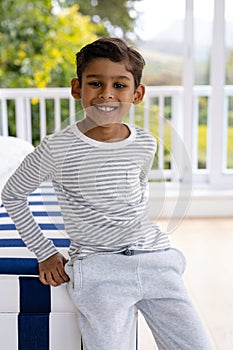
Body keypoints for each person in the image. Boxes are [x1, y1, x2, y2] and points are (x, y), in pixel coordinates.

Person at [2, 37, 213, 350]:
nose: (106, 94)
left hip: (155, 261)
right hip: (99, 270)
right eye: (96, 83)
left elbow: (135, 197)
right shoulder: (56, 148)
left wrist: (164, 258)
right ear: (78, 89)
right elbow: (13, 195)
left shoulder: (145, 143)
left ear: (137, 93)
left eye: (120, 85)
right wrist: (45, 252)